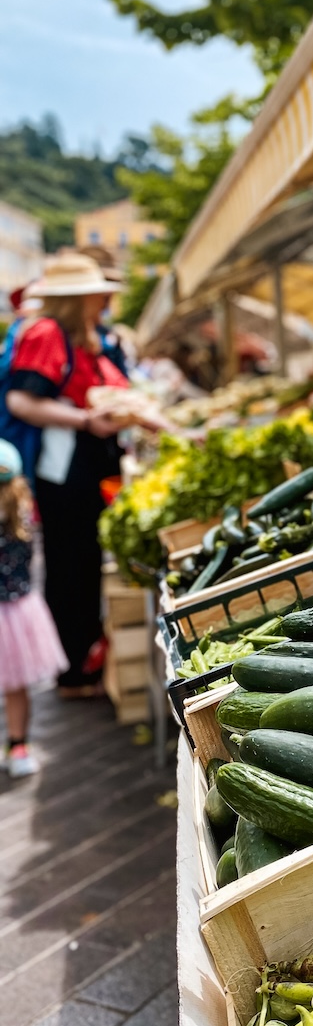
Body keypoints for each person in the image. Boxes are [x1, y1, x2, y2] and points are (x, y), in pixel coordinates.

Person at [3, 254, 133, 697]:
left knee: (82, 563)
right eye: (99, 292)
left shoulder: (84, 336)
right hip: (63, 470)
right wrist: (84, 420)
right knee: (69, 567)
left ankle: (83, 660)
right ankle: (74, 670)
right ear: (79, 298)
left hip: (83, 466)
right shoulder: (46, 333)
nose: (106, 299)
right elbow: (21, 401)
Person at [0, 440, 67, 775]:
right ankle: (18, 746)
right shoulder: (21, 512)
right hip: (19, 609)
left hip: (7, 612)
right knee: (16, 688)